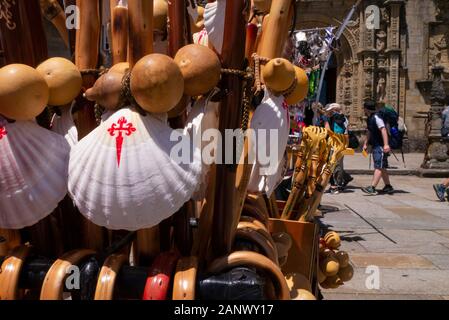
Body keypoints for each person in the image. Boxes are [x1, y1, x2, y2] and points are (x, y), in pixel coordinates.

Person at [361, 100, 394, 195]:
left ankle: (372, 188)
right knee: (382, 166)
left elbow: (383, 129)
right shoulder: (370, 118)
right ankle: (388, 186)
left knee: (378, 166)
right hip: (376, 145)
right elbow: (369, 131)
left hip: (380, 146)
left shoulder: (376, 117)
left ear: (366, 109)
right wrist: (365, 143)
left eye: (364, 108)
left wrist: (386, 144)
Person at [324, 103, 353, 194]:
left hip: (334, 143)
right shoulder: (344, 119)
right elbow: (346, 132)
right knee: (338, 164)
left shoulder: (331, 118)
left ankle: (336, 185)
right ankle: (343, 180)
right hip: (341, 143)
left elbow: (328, 131)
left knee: (334, 164)